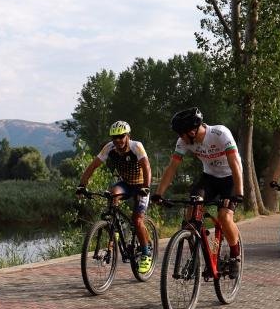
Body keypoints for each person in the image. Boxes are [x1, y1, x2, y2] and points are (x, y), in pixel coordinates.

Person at [152, 107, 243, 279]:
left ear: (192, 131)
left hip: (230, 178)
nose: (180, 137)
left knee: (224, 217)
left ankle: (235, 255)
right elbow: (171, 168)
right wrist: (159, 193)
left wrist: (238, 192)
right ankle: (195, 259)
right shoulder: (184, 142)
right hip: (209, 178)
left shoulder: (220, 133)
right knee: (191, 215)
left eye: (181, 133)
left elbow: (234, 163)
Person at [77, 121, 153, 273]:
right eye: (114, 137)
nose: (118, 140)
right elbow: (92, 166)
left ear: (127, 136)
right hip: (125, 184)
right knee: (112, 195)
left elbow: (147, 167)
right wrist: (81, 186)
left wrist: (145, 187)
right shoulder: (109, 148)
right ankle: (116, 227)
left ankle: (146, 253)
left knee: (137, 220)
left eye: (121, 136)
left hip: (140, 185)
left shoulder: (136, 146)